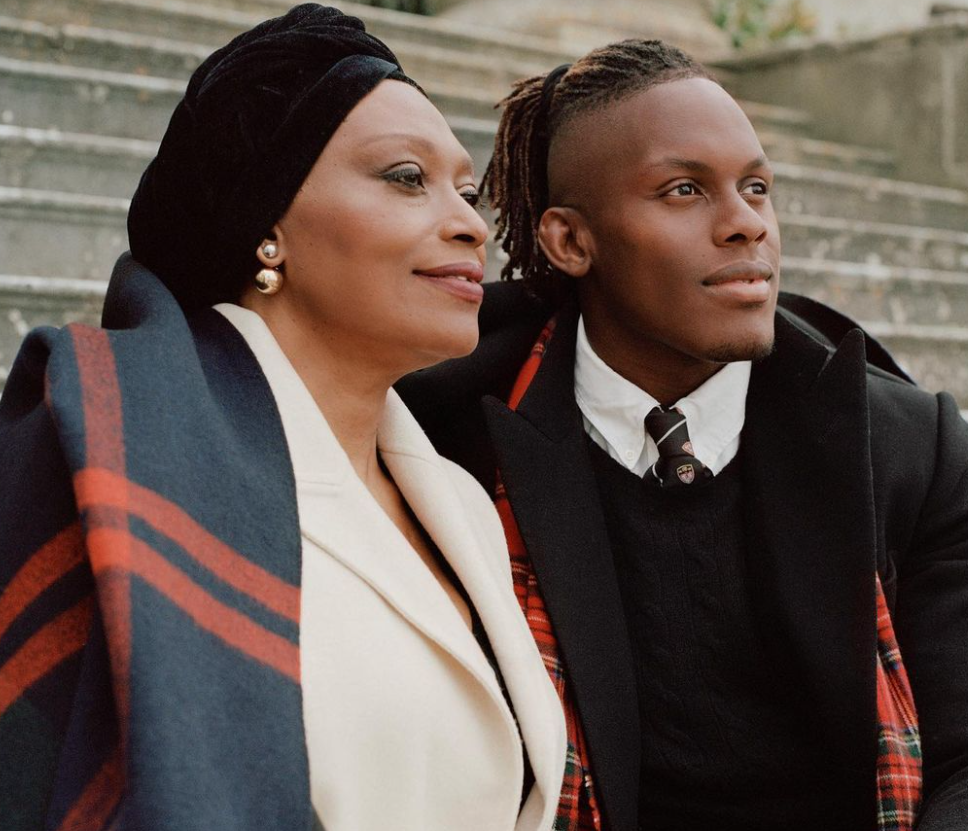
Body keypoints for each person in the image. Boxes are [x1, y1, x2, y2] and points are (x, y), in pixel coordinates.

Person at [0, 6, 567, 831]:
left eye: (470, 190)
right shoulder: (118, 456)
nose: (471, 223)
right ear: (268, 226)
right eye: (407, 177)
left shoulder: (462, 504)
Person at [397, 39, 968, 831]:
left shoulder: (910, 444)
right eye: (684, 189)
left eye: (757, 187)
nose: (746, 226)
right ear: (570, 241)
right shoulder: (444, 435)